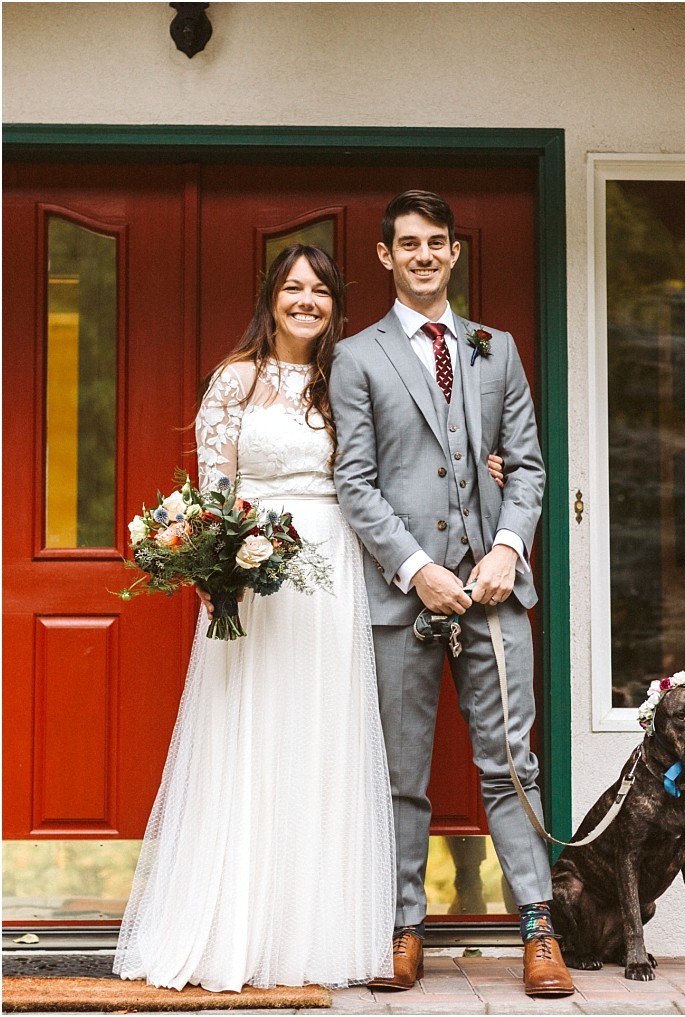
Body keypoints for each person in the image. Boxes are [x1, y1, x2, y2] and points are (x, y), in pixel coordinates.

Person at [113, 245, 396, 992]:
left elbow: (386, 469)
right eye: (294, 287)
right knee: (250, 735)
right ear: (271, 297)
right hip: (256, 574)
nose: (307, 300)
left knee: (319, 738)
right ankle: (234, 925)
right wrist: (214, 569)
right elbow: (215, 490)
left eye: (321, 290)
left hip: (332, 571)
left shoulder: (347, 381)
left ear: (336, 303)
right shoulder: (235, 379)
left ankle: (311, 933)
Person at [329, 191, 575, 998]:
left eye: (437, 242)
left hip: (493, 593)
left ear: (455, 252)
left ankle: (537, 925)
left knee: (512, 766)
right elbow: (356, 482)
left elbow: (527, 466)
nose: (425, 255)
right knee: (402, 771)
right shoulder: (358, 357)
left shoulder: (493, 348)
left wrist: (506, 547)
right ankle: (406, 927)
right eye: (409, 244)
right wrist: (415, 569)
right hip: (406, 598)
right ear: (384, 256)